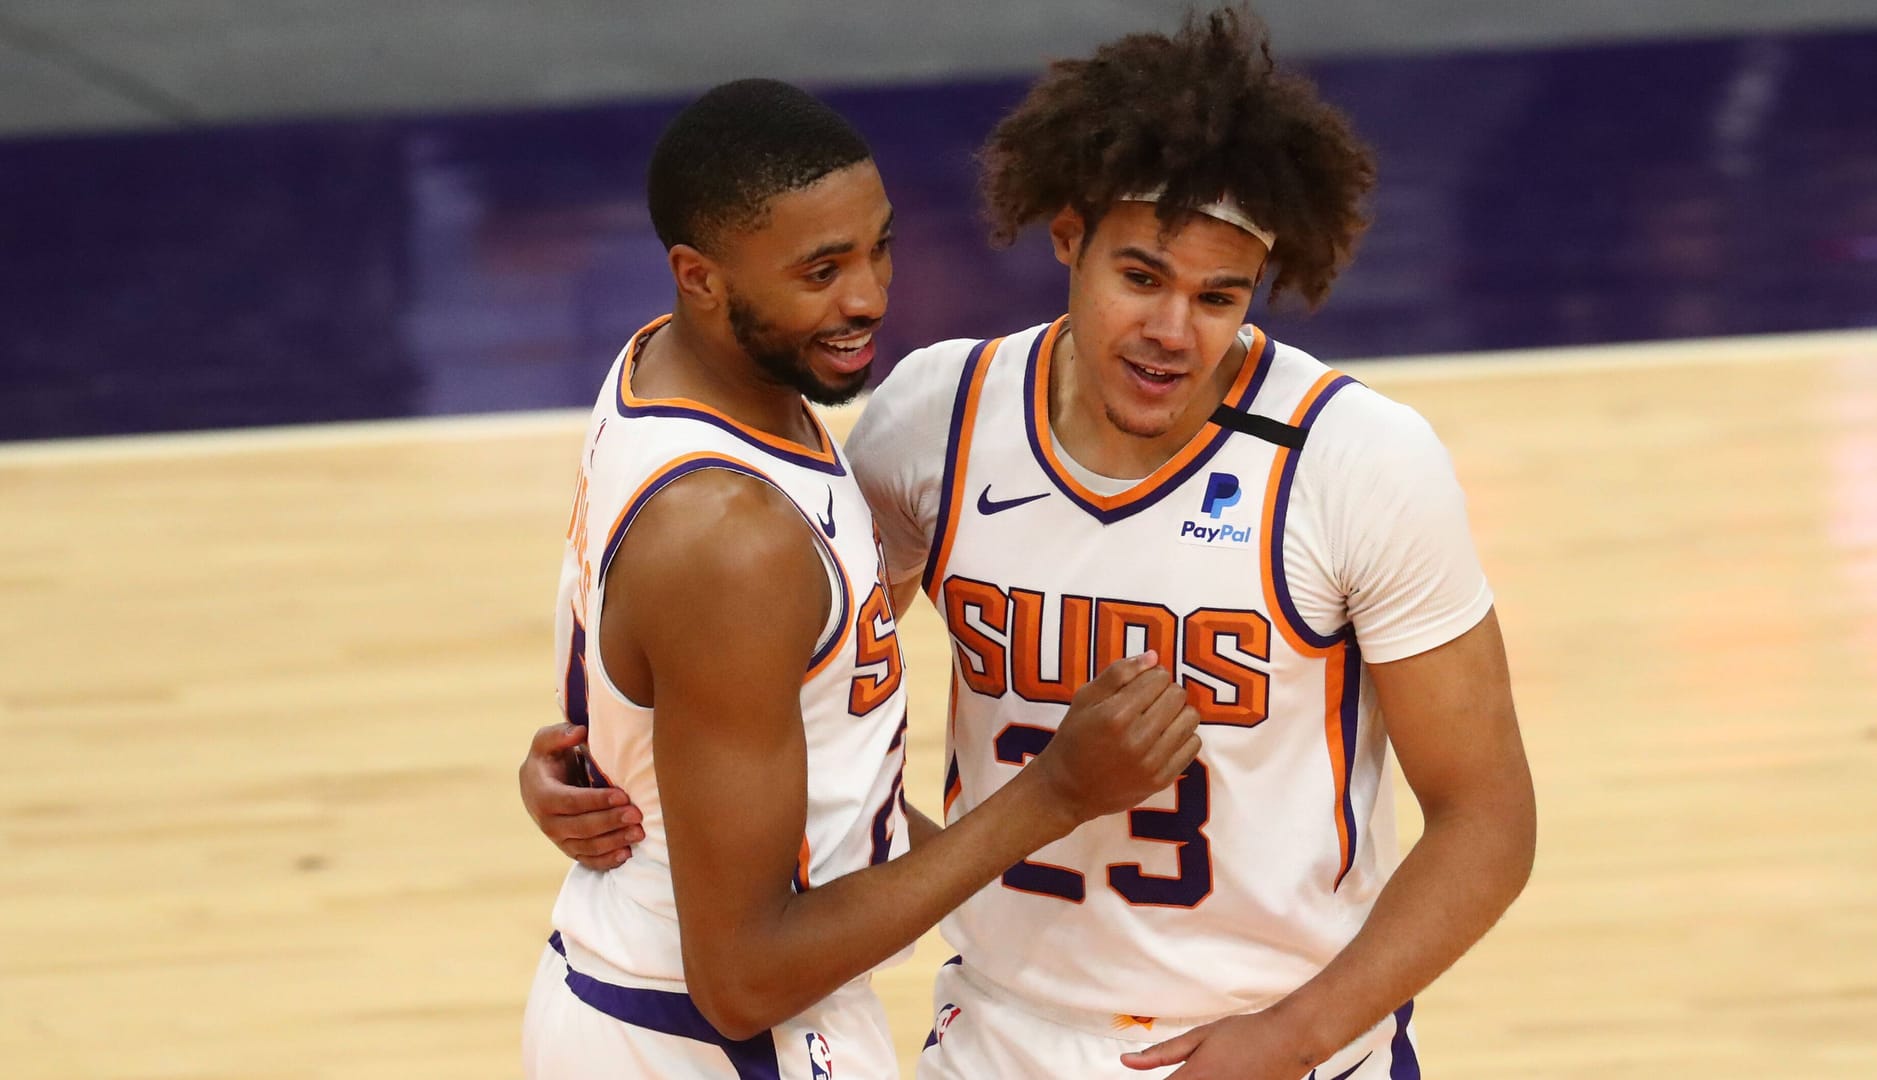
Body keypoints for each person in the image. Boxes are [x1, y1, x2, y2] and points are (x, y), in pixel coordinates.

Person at [526, 12, 1536, 1077]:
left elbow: (1488, 819)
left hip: (1277, 1043)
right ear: (1069, 237)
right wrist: (610, 768)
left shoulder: (1359, 461)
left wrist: (1293, 1037)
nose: (1172, 331)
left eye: (1219, 298)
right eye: (1141, 277)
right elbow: (770, 667)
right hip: (1002, 1038)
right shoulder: (935, 420)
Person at [521, 77, 1203, 1080]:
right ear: (697, 275)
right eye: (821, 270)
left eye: (878, 247)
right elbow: (744, 979)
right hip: (715, 1039)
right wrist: (1056, 792)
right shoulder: (734, 538)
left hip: (642, 994)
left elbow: (678, 675)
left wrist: (598, 757)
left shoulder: (680, 370)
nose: (868, 296)